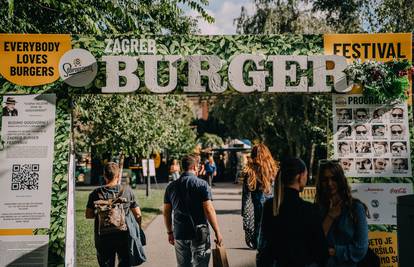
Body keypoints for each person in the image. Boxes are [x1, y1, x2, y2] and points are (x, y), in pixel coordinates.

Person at [257, 158, 328, 267]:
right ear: (300, 177)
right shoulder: (309, 209)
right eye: (306, 175)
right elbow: (320, 252)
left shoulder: (270, 206)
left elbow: (263, 245)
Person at [163, 154, 223, 267]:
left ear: (182, 168)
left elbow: (166, 212)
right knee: (201, 264)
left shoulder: (171, 187)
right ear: (195, 167)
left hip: (180, 232)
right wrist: (217, 232)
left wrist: (170, 232)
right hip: (199, 233)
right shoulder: (202, 185)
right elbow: (209, 210)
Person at [85, 162, 144, 267]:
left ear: (104, 175)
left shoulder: (95, 193)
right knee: (125, 262)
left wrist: (102, 213)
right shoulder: (127, 191)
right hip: (123, 236)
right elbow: (138, 214)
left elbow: (88, 215)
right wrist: (137, 228)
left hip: (103, 237)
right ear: (118, 175)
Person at [315, 160, 369, 267]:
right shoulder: (317, 209)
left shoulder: (355, 208)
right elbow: (314, 243)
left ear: (340, 180)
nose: (329, 183)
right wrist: (329, 217)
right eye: (325, 180)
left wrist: (335, 251)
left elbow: (361, 248)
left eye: (333, 178)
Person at [242, 144, 278, 249]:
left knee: (259, 225)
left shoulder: (250, 174)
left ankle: (259, 243)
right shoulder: (274, 172)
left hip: (257, 208)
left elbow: (246, 198)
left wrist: (245, 216)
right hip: (273, 207)